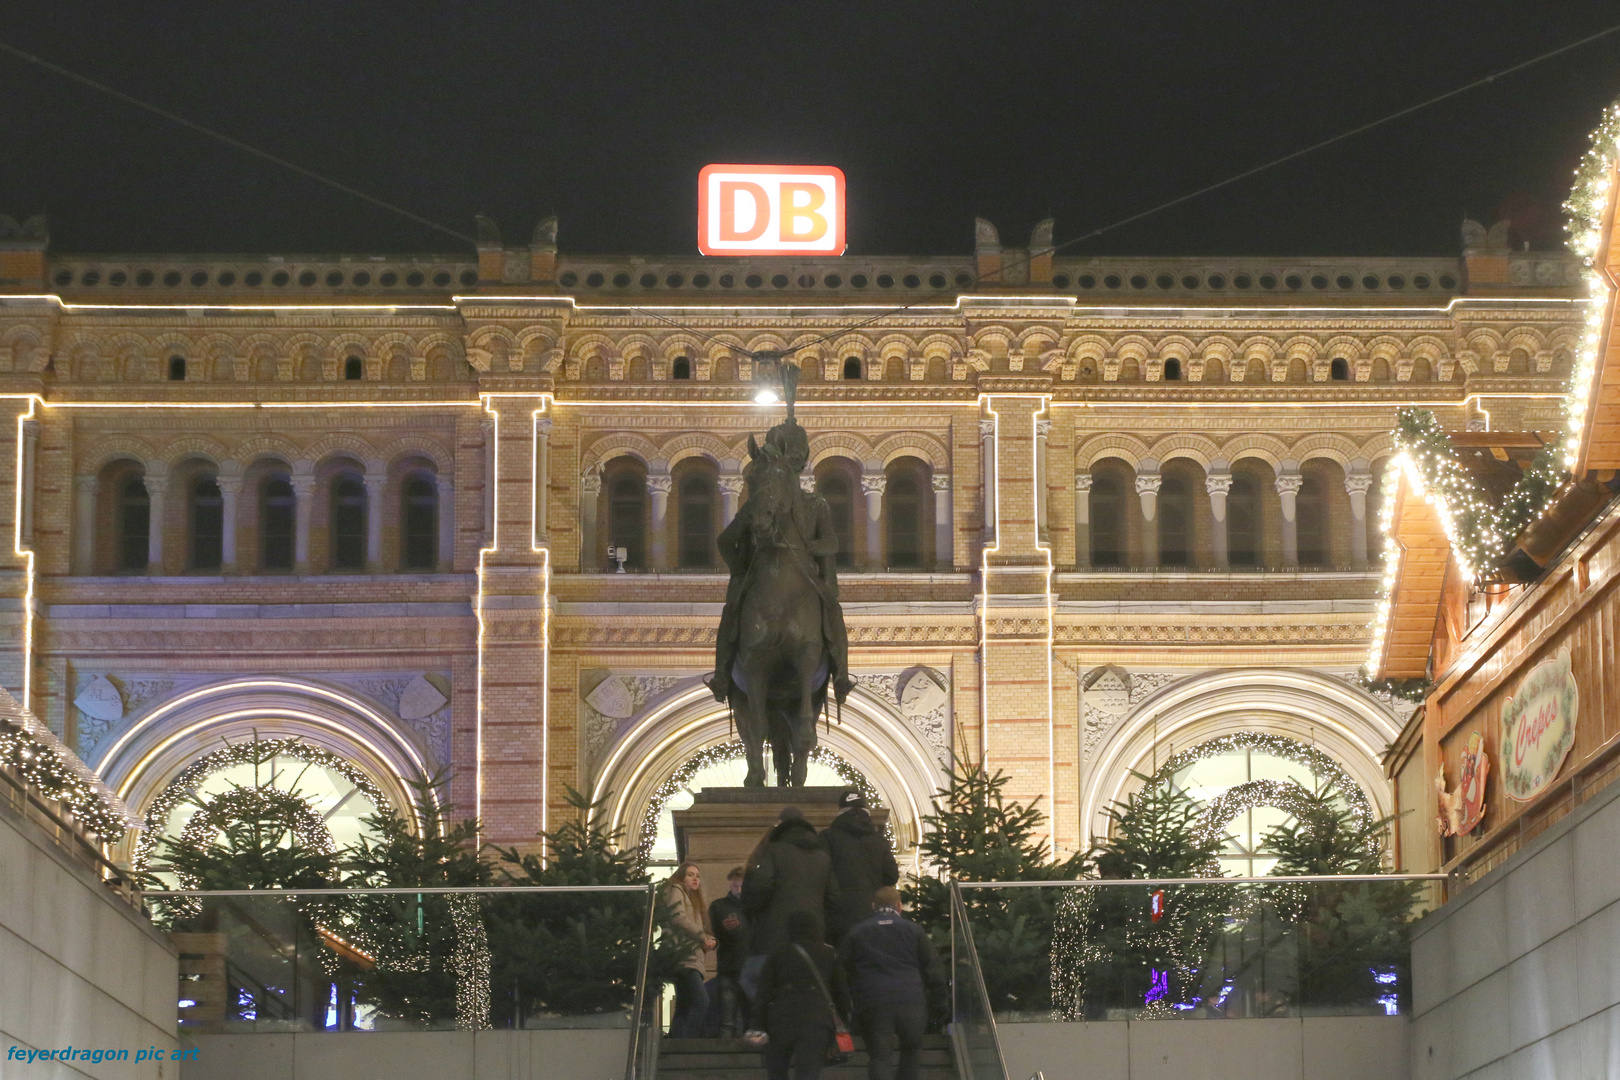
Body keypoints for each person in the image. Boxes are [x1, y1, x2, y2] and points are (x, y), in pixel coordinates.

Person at [837, 886, 947, 1080]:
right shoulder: (914, 930)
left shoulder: (857, 932)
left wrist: (850, 1000)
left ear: (873, 906)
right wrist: (940, 1000)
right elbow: (933, 967)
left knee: (880, 1057)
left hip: (873, 1001)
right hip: (911, 1000)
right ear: (899, 906)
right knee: (912, 1050)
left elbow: (842, 970)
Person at [740, 807, 838, 1000]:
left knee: (754, 983)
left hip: (772, 939)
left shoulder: (772, 851)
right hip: (812, 940)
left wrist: (754, 913)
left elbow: (758, 888)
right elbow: (834, 897)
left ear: (780, 826)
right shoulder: (823, 857)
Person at [758, 909, 851, 1080]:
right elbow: (841, 993)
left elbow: (763, 993)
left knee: (777, 1072)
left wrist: (758, 1024)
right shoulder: (829, 953)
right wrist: (843, 1021)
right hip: (817, 1021)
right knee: (808, 1073)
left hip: (781, 1020)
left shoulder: (778, 954)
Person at [823, 790, 900, 944]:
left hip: (838, 914)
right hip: (871, 912)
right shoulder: (879, 840)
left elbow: (822, 873)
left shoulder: (827, 837)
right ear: (866, 811)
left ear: (840, 811)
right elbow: (891, 875)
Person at [662, 863, 716, 1039]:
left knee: (684, 1004)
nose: (695, 879)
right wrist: (703, 937)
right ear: (681, 877)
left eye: (697, 876)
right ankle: (686, 1041)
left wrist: (710, 941)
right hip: (683, 957)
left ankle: (676, 1040)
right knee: (701, 1001)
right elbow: (678, 918)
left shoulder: (693, 900)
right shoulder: (676, 890)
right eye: (690, 875)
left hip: (691, 957)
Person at [708, 865, 751, 1037]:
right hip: (730, 966)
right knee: (727, 1018)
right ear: (729, 885)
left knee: (750, 1017)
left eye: (741, 886)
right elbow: (711, 935)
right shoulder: (719, 906)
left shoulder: (755, 907)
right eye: (735, 886)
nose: (739, 890)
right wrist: (722, 928)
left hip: (749, 965)